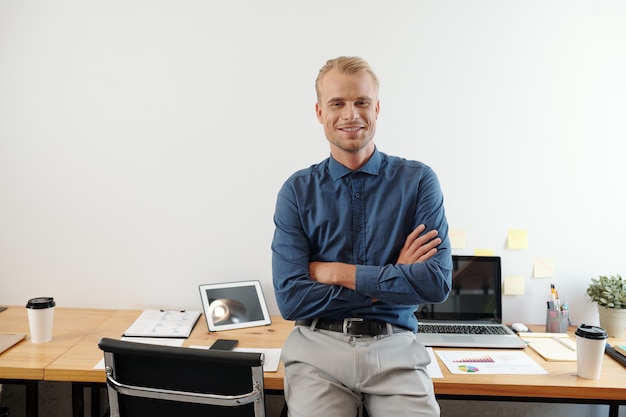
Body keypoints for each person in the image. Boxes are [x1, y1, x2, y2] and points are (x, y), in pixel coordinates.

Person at [271, 56, 452, 417]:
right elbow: (291, 299)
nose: (350, 114)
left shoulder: (418, 182)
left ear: (377, 108)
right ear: (320, 112)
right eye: (337, 103)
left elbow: (434, 283)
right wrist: (394, 278)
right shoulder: (297, 191)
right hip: (317, 348)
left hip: (396, 346)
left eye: (361, 102)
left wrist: (333, 272)